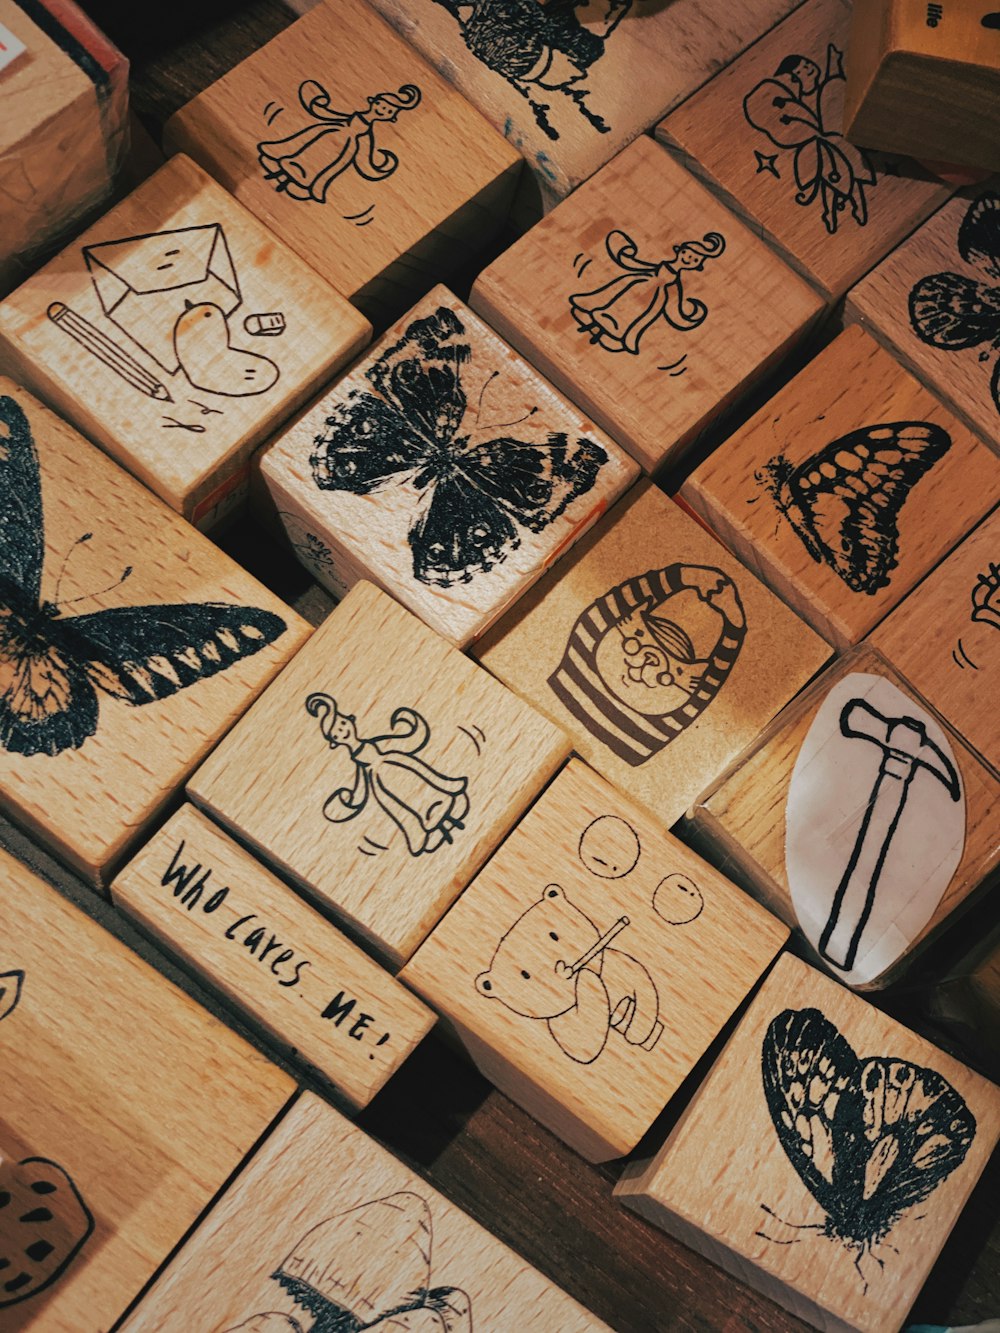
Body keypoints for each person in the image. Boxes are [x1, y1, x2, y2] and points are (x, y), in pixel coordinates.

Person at [306, 693, 469, 856]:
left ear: (350, 719)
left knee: (429, 787)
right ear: (335, 742)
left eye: (342, 723)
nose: (342, 730)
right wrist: (349, 801)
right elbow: (361, 789)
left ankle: (451, 817)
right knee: (407, 809)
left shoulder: (378, 746)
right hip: (383, 785)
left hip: (399, 765)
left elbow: (406, 741)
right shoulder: (362, 766)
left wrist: (411, 725)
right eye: (336, 733)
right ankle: (438, 832)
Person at [257, 82, 422, 203]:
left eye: (388, 111)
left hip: (335, 154)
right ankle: (274, 182)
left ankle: (281, 189)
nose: (383, 110)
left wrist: (379, 167)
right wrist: (316, 102)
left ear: (391, 117)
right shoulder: (348, 120)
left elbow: (364, 159)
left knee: (314, 169)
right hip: (323, 138)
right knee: (299, 154)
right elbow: (323, 112)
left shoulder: (365, 136)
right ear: (374, 101)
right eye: (382, 105)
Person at [569, 230, 726, 355]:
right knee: (613, 305)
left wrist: (688, 314)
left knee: (629, 319)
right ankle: (590, 330)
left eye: (695, 260)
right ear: (680, 251)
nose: (690, 259)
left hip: (649, 303)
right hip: (634, 289)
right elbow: (633, 263)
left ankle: (596, 335)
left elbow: (676, 305)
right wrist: (624, 253)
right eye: (689, 254)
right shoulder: (656, 268)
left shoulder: (674, 284)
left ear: (697, 265)